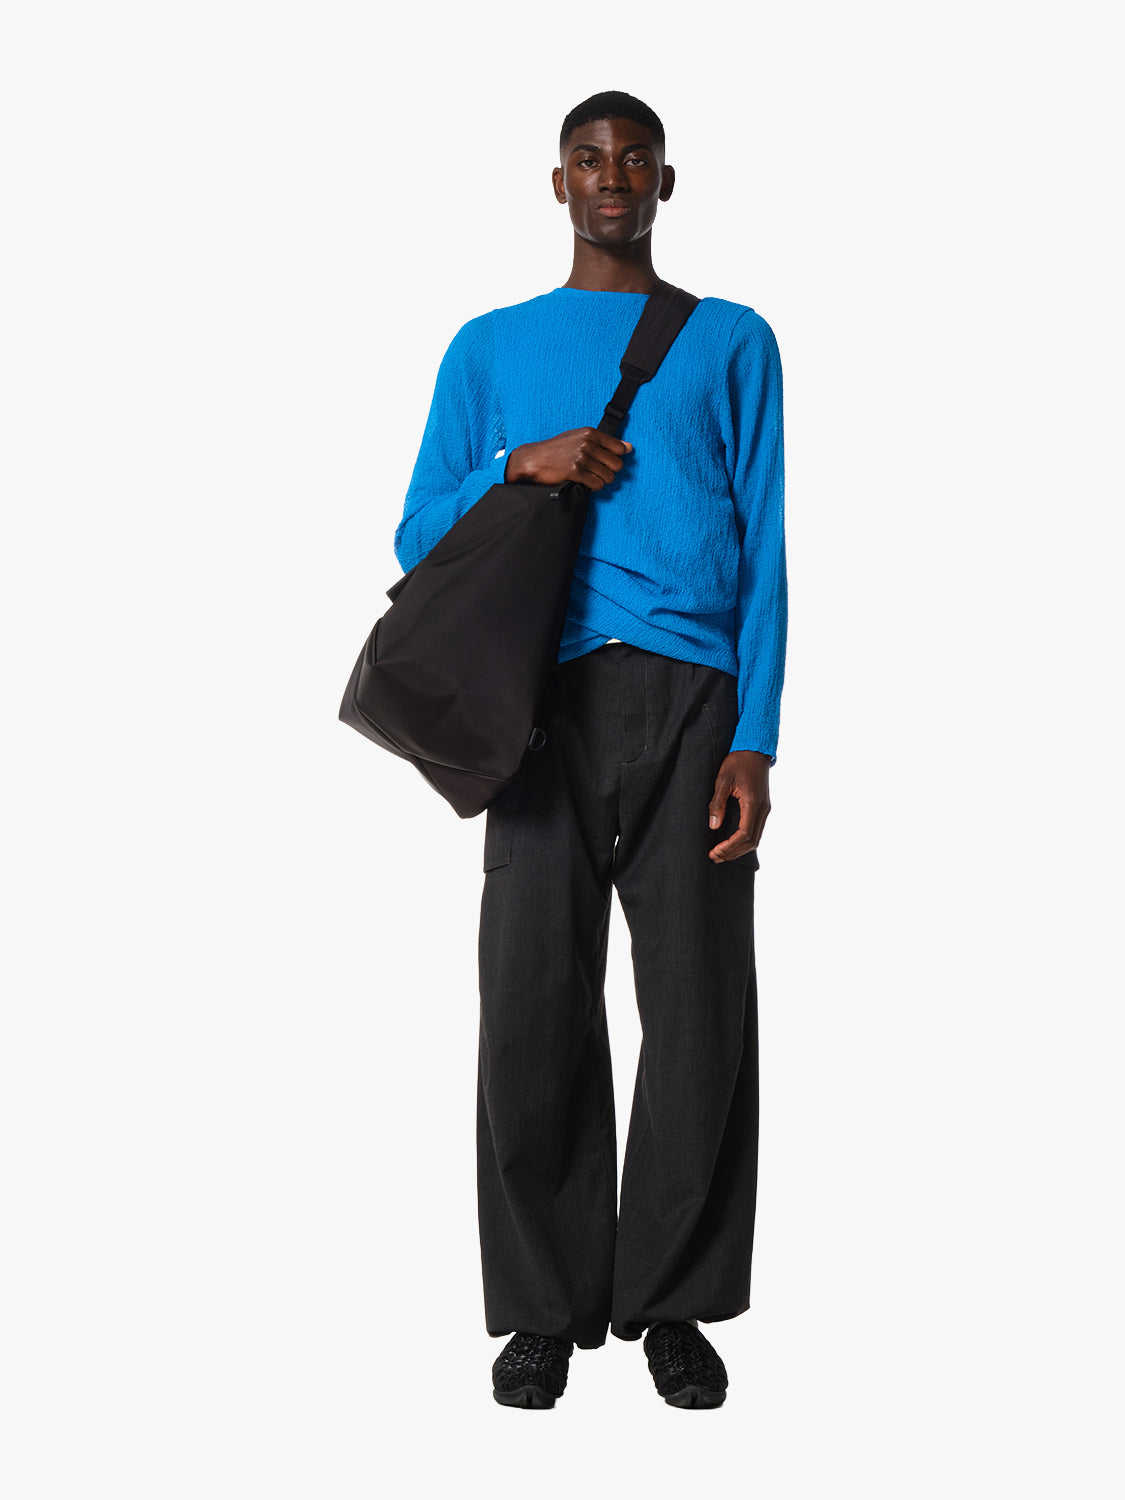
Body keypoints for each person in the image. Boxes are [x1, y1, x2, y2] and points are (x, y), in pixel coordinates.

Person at [392, 90, 787, 1409]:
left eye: (633, 160)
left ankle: (671, 1300)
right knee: (530, 1010)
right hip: (537, 705)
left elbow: (766, 544)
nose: (611, 176)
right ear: (555, 184)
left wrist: (755, 737)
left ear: (664, 183)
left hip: (693, 705)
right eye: (587, 159)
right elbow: (417, 534)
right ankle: (545, 1311)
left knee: (699, 1013)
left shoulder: (731, 340)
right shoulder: (489, 348)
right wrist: (523, 462)